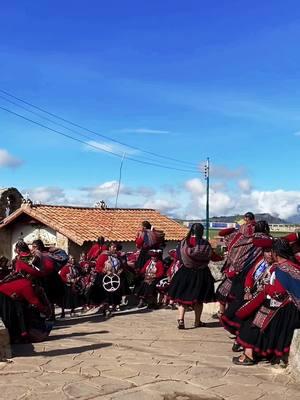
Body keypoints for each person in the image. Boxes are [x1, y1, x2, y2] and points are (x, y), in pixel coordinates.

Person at [233, 239, 300, 366]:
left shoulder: (281, 269)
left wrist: (266, 290)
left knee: (252, 320)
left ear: (276, 253)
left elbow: (277, 292)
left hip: (284, 310)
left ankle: (248, 354)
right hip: (292, 309)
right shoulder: (294, 266)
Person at [168, 223, 216, 329]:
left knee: (182, 298)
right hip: (202, 274)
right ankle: (197, 321)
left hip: (185, 272)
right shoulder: (206, 244)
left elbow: (178, 257)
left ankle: (181, 320)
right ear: (202, 231)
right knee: (199, 300)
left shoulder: (183, 242)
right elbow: (213, 257)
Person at [0, 271, 52, 343]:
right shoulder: (26, 284)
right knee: (11, 316)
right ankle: (17, 336)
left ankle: (18, 336)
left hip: (7, 296)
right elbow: (34, 301)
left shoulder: (23, 281)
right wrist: (44, 310)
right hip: (4, 297)